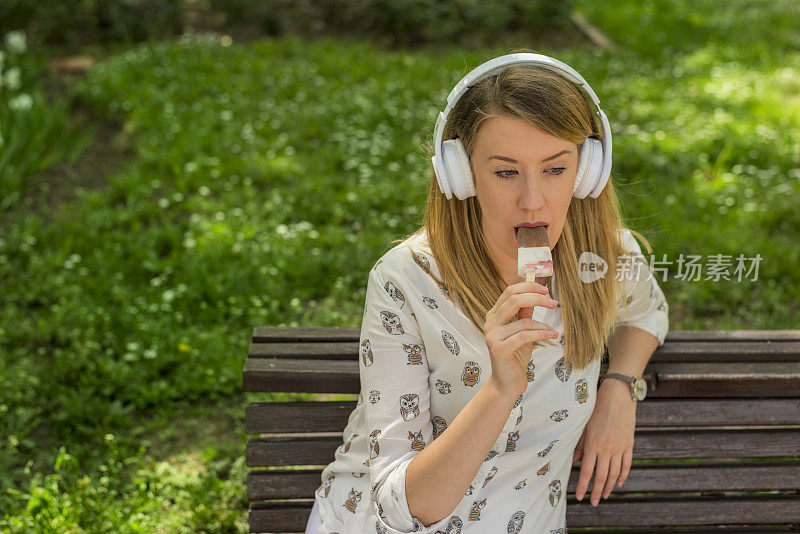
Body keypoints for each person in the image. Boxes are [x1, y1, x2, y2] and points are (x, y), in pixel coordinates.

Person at [307, 49, 669, 533]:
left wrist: (620, 387)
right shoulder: (406, 280)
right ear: (461, 174)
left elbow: (646, 315)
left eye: (556, 169)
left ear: (587, 173)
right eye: (505, 172)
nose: (532, 200)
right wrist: (500, 388)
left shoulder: (603, 262)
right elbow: (401, 508)